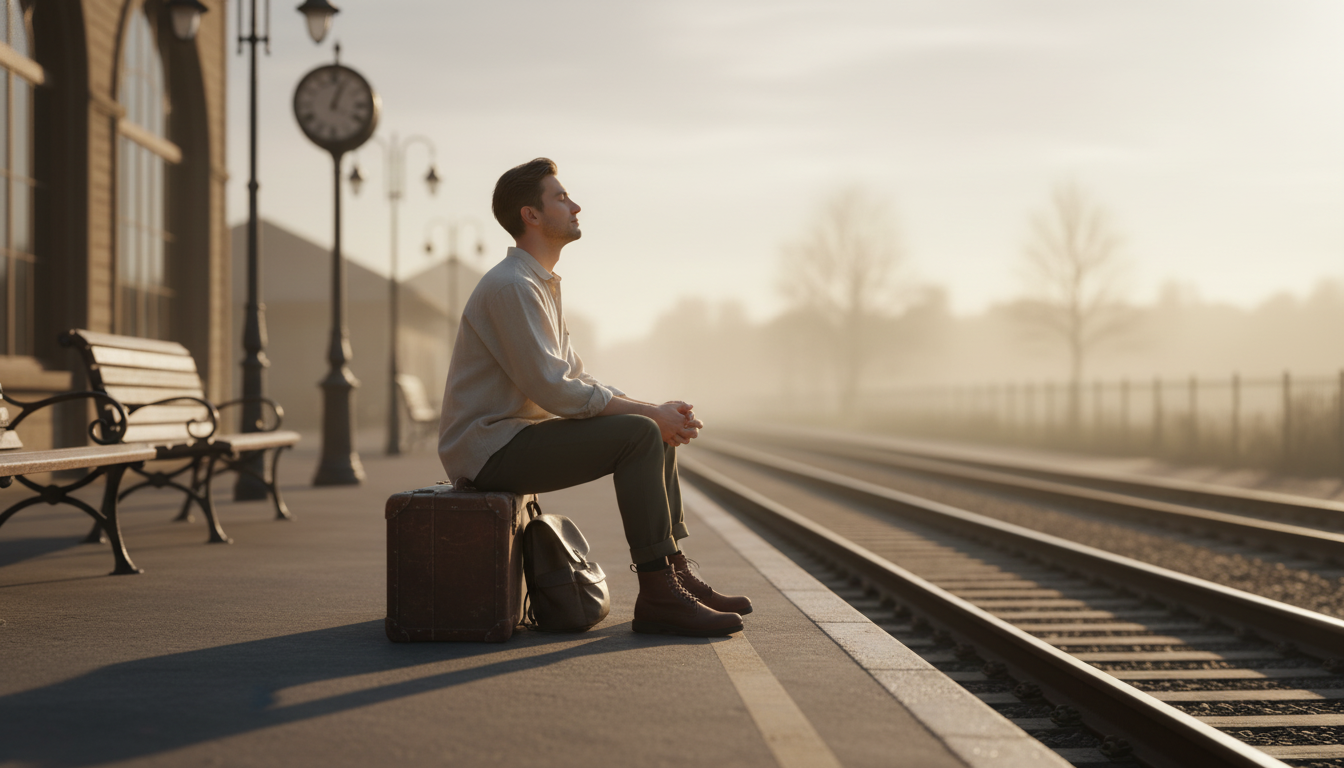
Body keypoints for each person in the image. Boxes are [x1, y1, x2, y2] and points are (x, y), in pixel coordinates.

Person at [438, 158, 750, 637]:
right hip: (488, 451)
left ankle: (674, 573)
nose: (575, 204)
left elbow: (576, 377)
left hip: (515, 439)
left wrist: (656, 410)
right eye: (560, 197)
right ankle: (658, 592)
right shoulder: (512, 287)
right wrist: (649, 415)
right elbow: (555, 390)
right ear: (532, 216)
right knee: (640, 433)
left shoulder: (537, 284)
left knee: (651, 430)